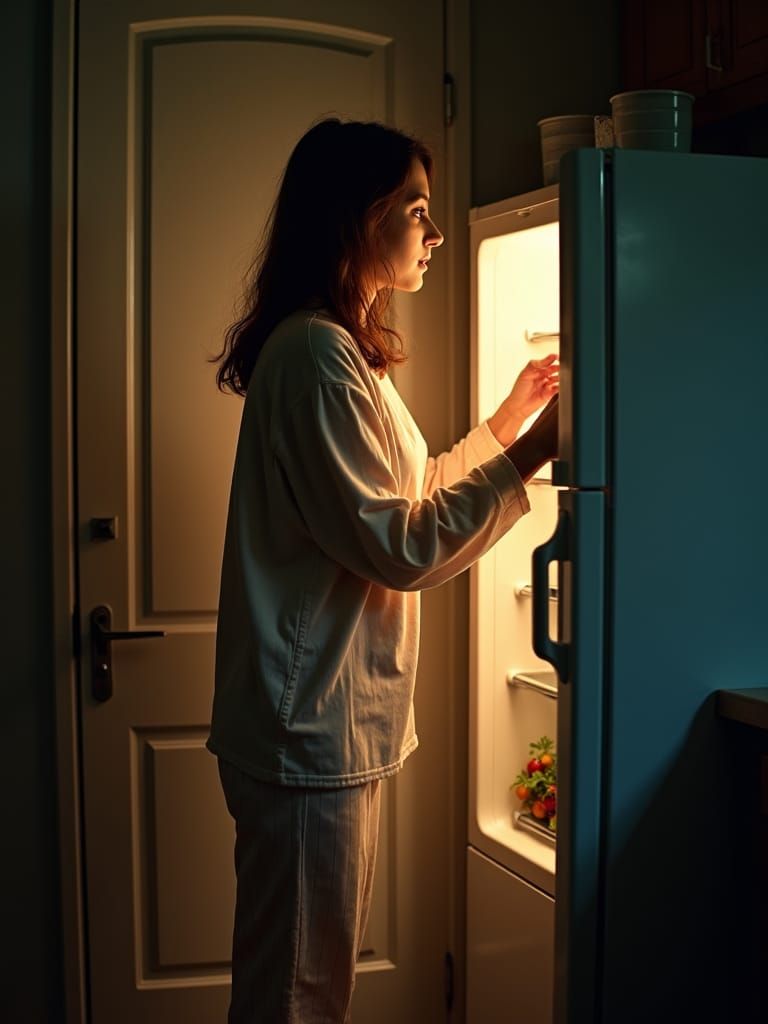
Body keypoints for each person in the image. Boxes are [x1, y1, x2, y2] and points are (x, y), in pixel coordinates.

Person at [207, 118, 559, 1024]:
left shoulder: (336, 344)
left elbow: (404, 499)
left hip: (316, 729)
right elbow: (400, 547)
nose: (434, 234)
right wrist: (537, 456)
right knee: (297, 996)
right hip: (306, 728)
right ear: (359, 219)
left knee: (303, 983)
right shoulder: (320, 354)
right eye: (418, 210)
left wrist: (505, 426)